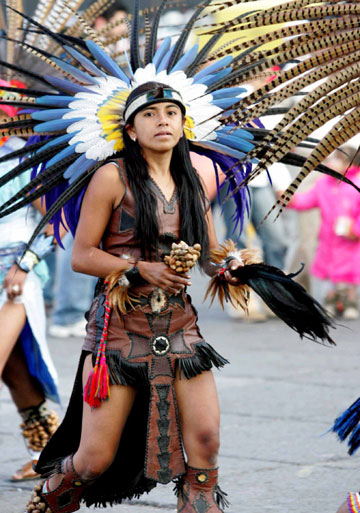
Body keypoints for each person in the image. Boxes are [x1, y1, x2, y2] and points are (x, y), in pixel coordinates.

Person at [0, 86, 61, 480]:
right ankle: (47, 453)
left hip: (15, 280)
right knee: (14, 369)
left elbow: (56, 221)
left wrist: (25, 265)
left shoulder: (27, 157)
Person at [287, 147, 360, 320]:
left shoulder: (355, 185)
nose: (329, 162)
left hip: (349, 241)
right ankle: (331, 299)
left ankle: (350, 300)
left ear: (349, 164)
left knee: (348, 272)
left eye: (336, 159)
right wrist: (292, 200)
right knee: (328, 271)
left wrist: (355, 230)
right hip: (328, 239)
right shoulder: (323, 184)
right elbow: (308, 200)